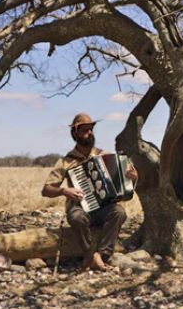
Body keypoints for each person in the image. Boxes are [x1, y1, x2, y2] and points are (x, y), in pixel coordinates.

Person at [42, 112, 138, 271]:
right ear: (75, 134)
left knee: (119, 212)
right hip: (79, 207)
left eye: (91, 129)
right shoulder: (66, 161)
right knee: (77, 217)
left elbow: (125, 184)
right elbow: (46, 190)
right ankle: (90, 254)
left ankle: (100, 255)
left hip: (103, 208)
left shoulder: (104, 155)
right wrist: (65, 191)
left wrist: (132, 178)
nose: (90, 133)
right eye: (85, 130)